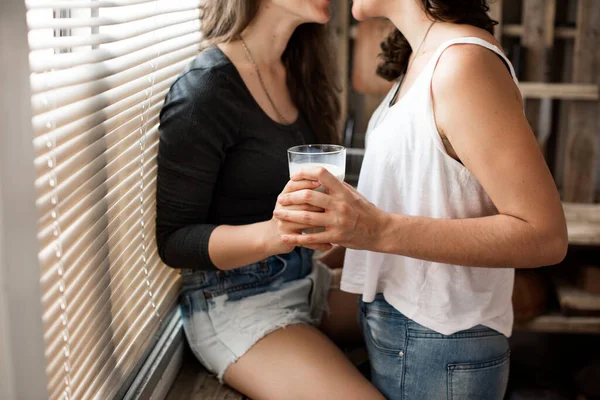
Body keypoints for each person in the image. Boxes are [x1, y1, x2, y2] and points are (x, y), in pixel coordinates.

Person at [274, 0, 569, 399]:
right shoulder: (421, 57)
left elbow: (545, 235)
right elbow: (430, 200)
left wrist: (376, 229)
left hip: (440, 345)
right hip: (404, 331)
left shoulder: (463, 64)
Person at [155, 0, 384, 399]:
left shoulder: (299, 69)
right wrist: (279, 233)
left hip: (307, 282)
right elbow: (175, 242)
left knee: (436, 308)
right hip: (237, 304)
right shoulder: (205, 89)